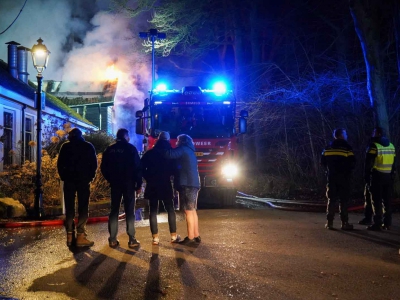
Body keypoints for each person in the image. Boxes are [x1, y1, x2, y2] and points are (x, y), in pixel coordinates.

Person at [101, 128, 142, 248]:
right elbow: (137, 168)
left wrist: (110, 179)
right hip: (129, 184)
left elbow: (104, 168)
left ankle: (113, 239)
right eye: (128, 136)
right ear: (125, 136)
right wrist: (138, 184)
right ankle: (132, 239)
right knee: (130, 211)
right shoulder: (131, 149)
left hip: (115, 184)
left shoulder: (110, 149)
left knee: (114, 210)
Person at [57, 128, 97, 247]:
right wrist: (90, 177)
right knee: (83, 207)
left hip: (69, 180)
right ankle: (80, 235)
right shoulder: (88, 146)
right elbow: (93, 164)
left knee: (69, 208)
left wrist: (63, 176)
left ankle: (70, 235)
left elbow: (60, 164)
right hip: (83, 180)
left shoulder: (65, 147)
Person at [141, 131, 180, 245]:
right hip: (165, 184)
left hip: (152, 184)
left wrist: (148, 178)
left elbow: (141, 167)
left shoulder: (150, 153)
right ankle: (173, 235)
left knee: (153, 210)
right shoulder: (170, 153)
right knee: (170, 210)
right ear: (168, 140)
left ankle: (155, 238)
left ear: (158, 139)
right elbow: (176, 169)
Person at [163, 134, 201, 245]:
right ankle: (196, 235)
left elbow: (169, 154)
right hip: (193, 183)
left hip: (187, 184)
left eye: (178, 140)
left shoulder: (183, 149)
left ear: (182, 141)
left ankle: (190, 238)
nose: (176, 143)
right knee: (193, 210)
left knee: (188, 211)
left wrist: (163, 145)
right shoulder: (190, 150)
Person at [321, 128, 355, 230]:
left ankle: (329, 223)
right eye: (345, 133)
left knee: (331, 199)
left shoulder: (328, 147)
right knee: (343, 200)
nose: (346, 135)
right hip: (344, 178)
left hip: (332, 177)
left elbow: (322, 162)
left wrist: (330, 169)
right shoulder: (347, 147)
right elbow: (353, 162)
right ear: (341, 135)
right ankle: (344, 223)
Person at [364, 127, 396, 231]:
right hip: (388, 176)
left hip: (377, 175)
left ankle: (377, 223)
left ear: (378, 133)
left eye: (374, 132)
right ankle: (388, 223)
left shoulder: (374, 146)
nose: (372, 134)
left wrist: (367, 177)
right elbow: (394, 163)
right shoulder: (391, 145)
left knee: (376, 201)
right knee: (387, 201)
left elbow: (368, 163)